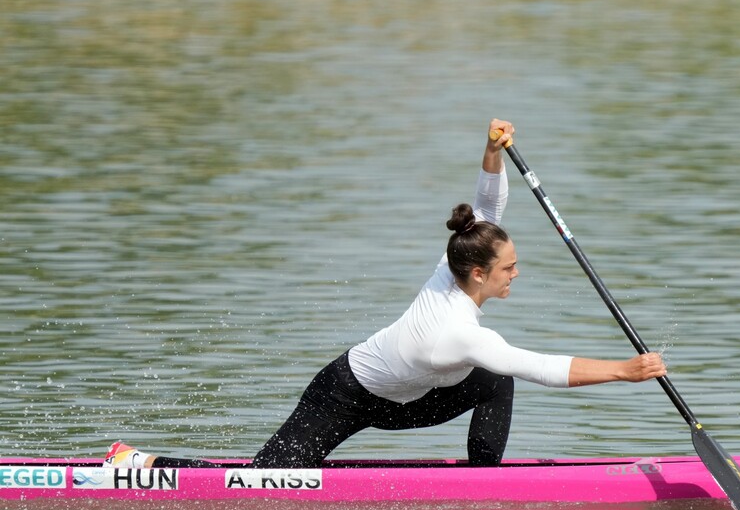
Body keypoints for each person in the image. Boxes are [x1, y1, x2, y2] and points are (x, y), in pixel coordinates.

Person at [106, 119, 666, 470]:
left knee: (495, 382)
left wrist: (491, 150)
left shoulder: (454, 264)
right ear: (478, 275)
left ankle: (482, 485)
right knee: (258, 481)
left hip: (412, 398)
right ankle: (140, 462)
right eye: (510, 268)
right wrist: (625, 370)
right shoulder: (459, 330)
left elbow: (487, 208)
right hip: (344, 393)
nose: (516, 274)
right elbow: (541, 365)